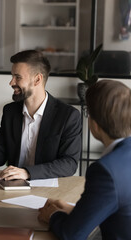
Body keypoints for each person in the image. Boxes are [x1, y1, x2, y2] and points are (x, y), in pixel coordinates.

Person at [38, 80, 131, 239]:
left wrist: (52, 215)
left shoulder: (105, 170)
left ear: (95, 124)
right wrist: (77, 211)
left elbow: (71, 234)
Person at [0, 50, 81, 180]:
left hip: (49, 189)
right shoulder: (10, 111)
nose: (11, 82)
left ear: (37, 79)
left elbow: (69, 163)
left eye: (18, 77)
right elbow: (0, 157)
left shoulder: (68, 116)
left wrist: (27, 172)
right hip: (13, 186)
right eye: (12, 76)